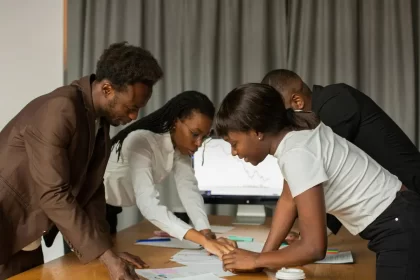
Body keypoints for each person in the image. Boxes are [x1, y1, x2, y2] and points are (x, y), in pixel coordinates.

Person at [216, 83, 420, 280]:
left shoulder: (297, 153)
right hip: (401, 216)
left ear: (257, 132)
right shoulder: (295, 136)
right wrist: (260, 259)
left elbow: (313, 247)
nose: (234, 153)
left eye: (234, 144)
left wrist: (256, 260)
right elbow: (288, 201)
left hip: (398, 227)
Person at [0, 41, 163, 280]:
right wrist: (107, 257)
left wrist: (109, 252)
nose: (133, 116)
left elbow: (92, 193)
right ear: (107, 89)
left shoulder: (98, 121)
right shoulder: (60, 109)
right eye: (131, 107)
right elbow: (54, 194)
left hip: (26, 236)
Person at [261, 69, 420, 237]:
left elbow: (321, 177)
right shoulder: (328, 106)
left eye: (281, 115)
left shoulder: (334, 103)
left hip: (409, 196)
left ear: (297, 102)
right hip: (396, 206)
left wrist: (308, 237)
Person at [104, 91, 237, 258]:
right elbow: (149, 205)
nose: (198, 144)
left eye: (204, 137)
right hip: (85, 208)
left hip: (109, 209)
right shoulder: (140, 142)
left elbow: (189, 189)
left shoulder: (180, 149)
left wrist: (206, 232)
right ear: (176, 122)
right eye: (195, 134)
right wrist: (204, 242)